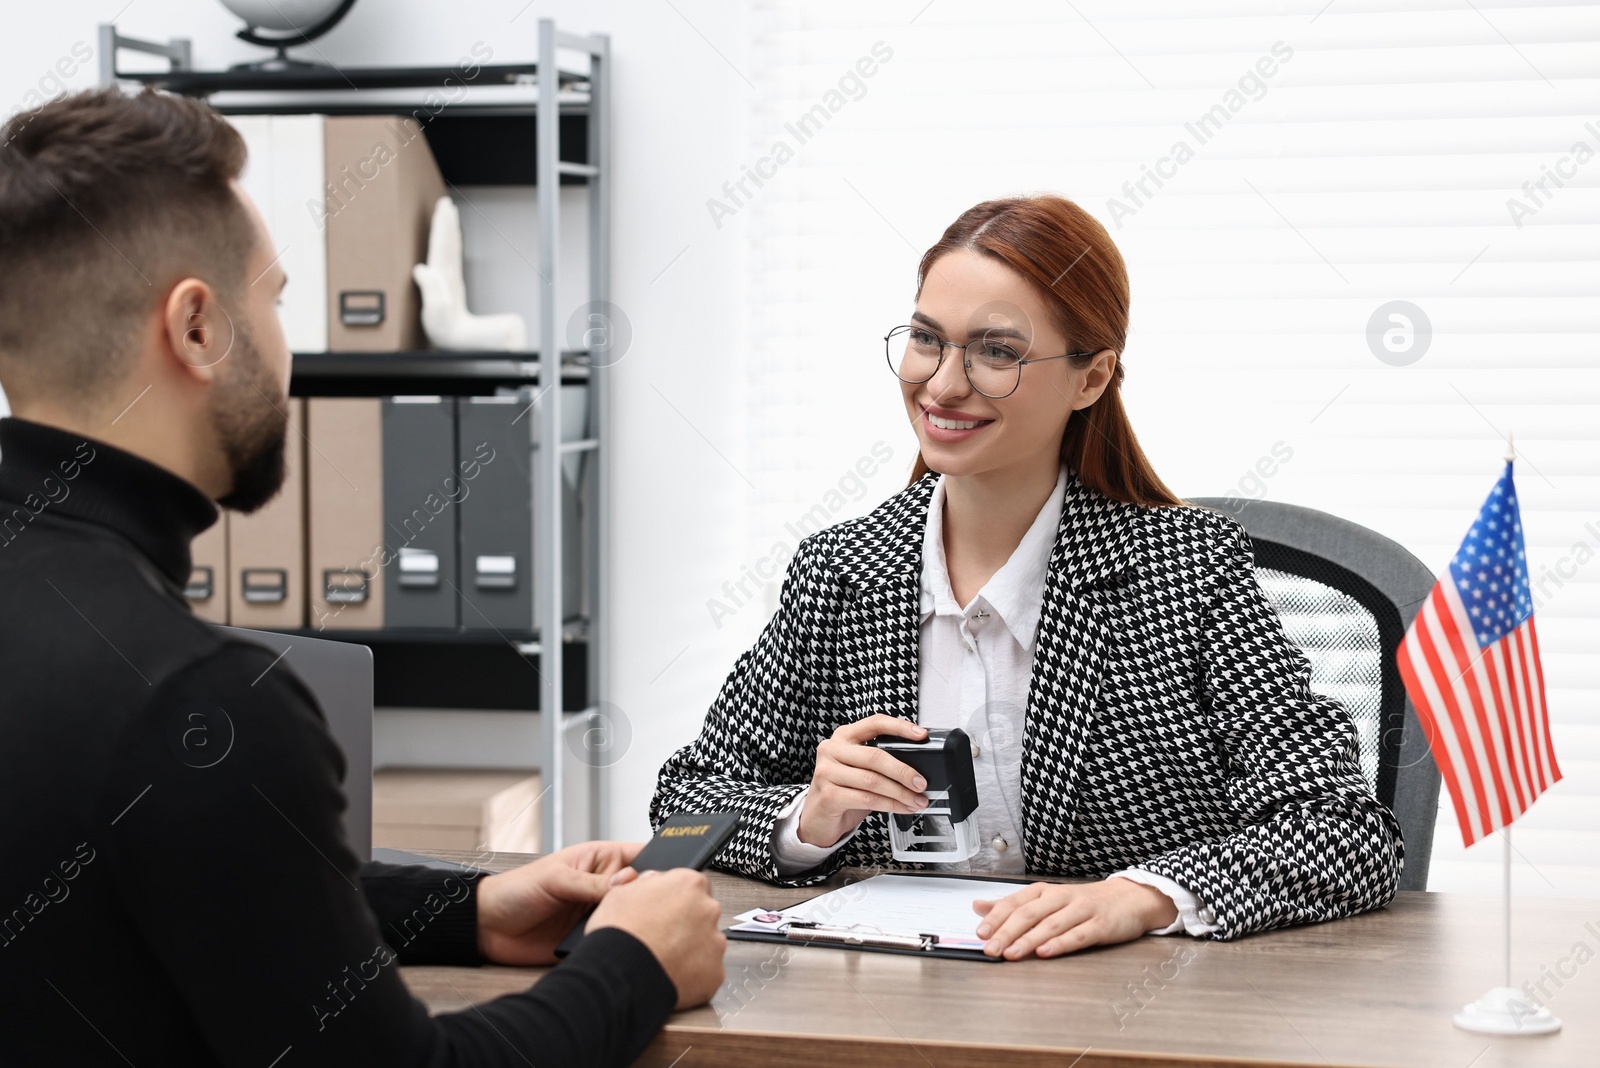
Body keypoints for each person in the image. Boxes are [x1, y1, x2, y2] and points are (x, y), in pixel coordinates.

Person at [0, 88, 723, 1067]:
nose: (287, 348)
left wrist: (465, 909)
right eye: (276, 297)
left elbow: (172, 875)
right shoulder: (193, 705)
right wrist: (631, 962)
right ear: (199, 329)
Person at [652, 193, 1404, 960]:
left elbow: (1343, 833)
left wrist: (1140, 897)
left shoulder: (1189, 571)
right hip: (897, 1008)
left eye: (997, 352)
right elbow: (687, 802)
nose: (943, 386)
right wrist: (808, 820)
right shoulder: (843, 571)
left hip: (1128, 1012)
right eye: (926, 340)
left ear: (1091, 378)